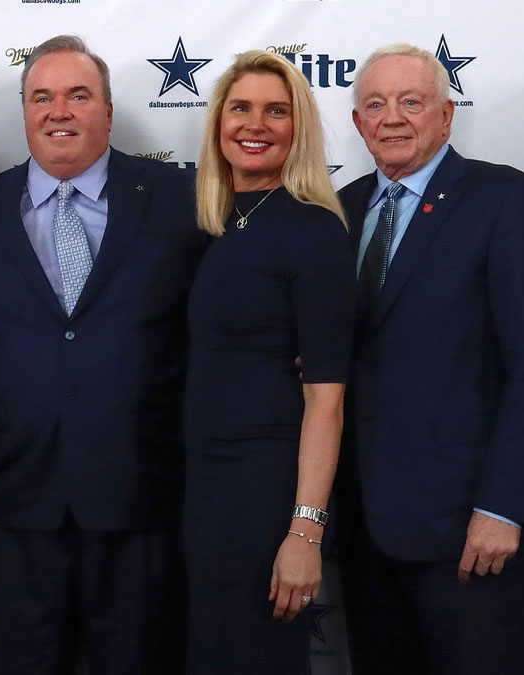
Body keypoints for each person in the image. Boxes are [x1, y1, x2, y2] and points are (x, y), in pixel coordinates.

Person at [0, 35, 208, 674]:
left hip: (140, 503)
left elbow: (228, 324)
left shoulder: (182, 204)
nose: (59, 111)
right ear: (26, 112)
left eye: (78, 95)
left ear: (108, 112)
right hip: (19, 510)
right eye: (42, 97)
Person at [334, 43, 524, 675]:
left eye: (412, 102)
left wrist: (503, 507)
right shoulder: (341, 211)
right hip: (366, 532)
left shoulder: (505, 200)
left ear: (446, 114)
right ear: (357, 123)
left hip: (472, 533)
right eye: (376, 104)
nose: (392, 118)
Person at [182, 50, 353, 674]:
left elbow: (326, 399)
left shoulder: (315, 231)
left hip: (265, 492)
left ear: (297, 127)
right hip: (203, 487)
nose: (256, 124)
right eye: (242, 108)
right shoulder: (217, 222)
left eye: (276, 111)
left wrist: (305, 531)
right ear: (219, 122)